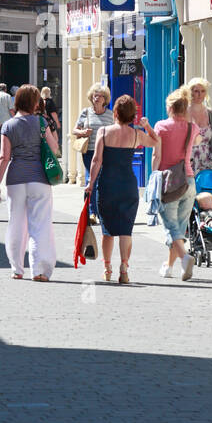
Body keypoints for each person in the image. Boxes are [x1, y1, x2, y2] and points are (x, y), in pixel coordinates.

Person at [84, 95, 158, 284]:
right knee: (126, 230)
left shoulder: (103, 132)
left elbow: (97, 160)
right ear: (133, 115)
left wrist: (90, 183)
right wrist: (147, 126)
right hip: (128, 186)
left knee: (107, 231)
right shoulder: (136, 135)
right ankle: (124, 268)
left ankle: (107, 268)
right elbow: (155, 141)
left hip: (107, 185)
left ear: (115, 113)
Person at [0, 85, 62, 281]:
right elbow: (54, 147)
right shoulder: (41, 122)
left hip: (15, 179)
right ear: (34, 103)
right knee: (40, 224)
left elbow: (4, 157)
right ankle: (40, 270)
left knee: (15, 224)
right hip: (39, 178)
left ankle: (17, 269)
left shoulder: (8, 125)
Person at [154, 88, 198, 281]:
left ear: (171, 107)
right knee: (179, 228)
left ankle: (184, 258)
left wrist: (154, 175)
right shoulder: (192, 127)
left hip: (168, 182)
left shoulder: (161, 126)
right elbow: (197, 142)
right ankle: (169, 266)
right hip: (188, 180)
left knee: (171, 226)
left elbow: (157, 155)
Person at [73, 84, 115, 224]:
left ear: (105, 99)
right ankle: (91, 212)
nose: (96, 98)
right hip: (89, 152)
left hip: (106, 152)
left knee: (103, 183)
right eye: (94, 95)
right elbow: (75, 130)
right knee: (91, 180)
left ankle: (101, 211)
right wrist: (82, 132)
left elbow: (115, 131)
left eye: (100, 96)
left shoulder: (110, 115)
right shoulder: (86, 112)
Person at [185, 77, 212, 174]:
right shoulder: (183, 113)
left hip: (207, 161)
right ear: (190, 92)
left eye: (202, 91)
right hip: (187, 161)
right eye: (196, 91)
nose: (199, 94)